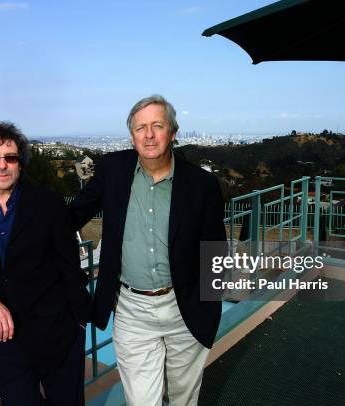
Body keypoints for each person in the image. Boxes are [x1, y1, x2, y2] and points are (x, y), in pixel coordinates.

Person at [69, 95, 226, 405]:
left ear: (173, 132)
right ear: (132, 135)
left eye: (157, 125)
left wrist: (209, 308)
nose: (149, 135)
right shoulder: (113, 170)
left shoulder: (201, 184)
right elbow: (71, 216)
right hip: (132, 310)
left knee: (183, 398)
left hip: (184, 309)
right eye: (141, 127)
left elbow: (216, 252)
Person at [0, 122, 91, 406]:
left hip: (58, 332)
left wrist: (78, 323)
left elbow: (70, 266)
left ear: (20, 164)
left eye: (10, 158)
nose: (2, 165)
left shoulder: (48, 202)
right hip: (6, 337)